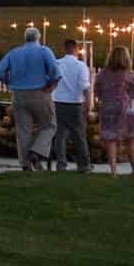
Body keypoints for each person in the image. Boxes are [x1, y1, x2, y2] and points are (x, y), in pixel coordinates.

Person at [0, 23, 60, 170]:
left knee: (23, 130)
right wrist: (51, 84)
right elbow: (55, 70)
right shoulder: (44, 51)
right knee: (49, 125)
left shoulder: (14, 53)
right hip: (40, 92)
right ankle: (37, 152)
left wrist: (7, 81)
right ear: (39, 38)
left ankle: (25, 164)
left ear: (25, 38)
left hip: (18, 94)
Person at [94, 42, 134, 175]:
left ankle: (113, 171)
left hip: (108, 107)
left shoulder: (103, 74)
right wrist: (131, 95)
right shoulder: (129, 74)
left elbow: (97, 90)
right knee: (130, 138)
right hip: (125, 108)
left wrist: (104, 98)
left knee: (111, 139)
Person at [51, 36, 94, 172]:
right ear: (76, 49)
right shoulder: (81, 66)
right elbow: (84, 86)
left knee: (60, 135)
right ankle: (84, 164)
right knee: (78, 135)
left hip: (57, 102)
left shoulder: (57, 63)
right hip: (75, 104)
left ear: (65, 48)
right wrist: (89, 103)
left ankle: (61, 164)